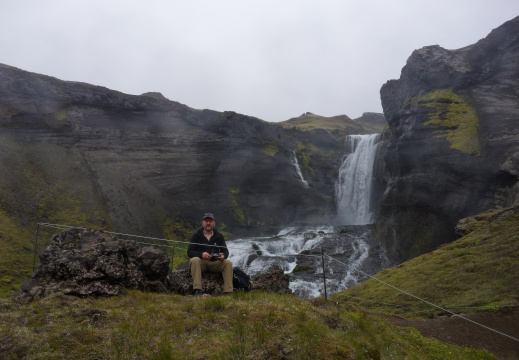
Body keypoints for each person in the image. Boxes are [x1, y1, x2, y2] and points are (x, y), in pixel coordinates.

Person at [187, 213, 233, 295]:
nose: (208, 223)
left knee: (228, 263)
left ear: (214, 223)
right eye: (206, 221)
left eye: (210, 221)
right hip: (202, 263)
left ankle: (228, 291)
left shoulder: (219, 236)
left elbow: (225, 251)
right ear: (202, 223)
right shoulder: (196, 235)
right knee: (194, 260)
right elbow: (189, 252)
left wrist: (223, 256)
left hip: (215, 263)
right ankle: (197, 290)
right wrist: (201, 254)